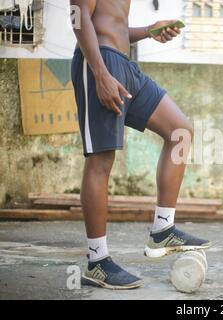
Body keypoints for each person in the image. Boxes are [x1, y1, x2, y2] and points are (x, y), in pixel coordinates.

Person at [70, 0, 211, 290]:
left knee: (180, 131)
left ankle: (163, 229)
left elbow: (113, 25)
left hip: (125, 64)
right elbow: (77, 15)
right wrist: (100, 73)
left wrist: (148, 30)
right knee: (100, 160)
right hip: (101, 62)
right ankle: (98, 262)